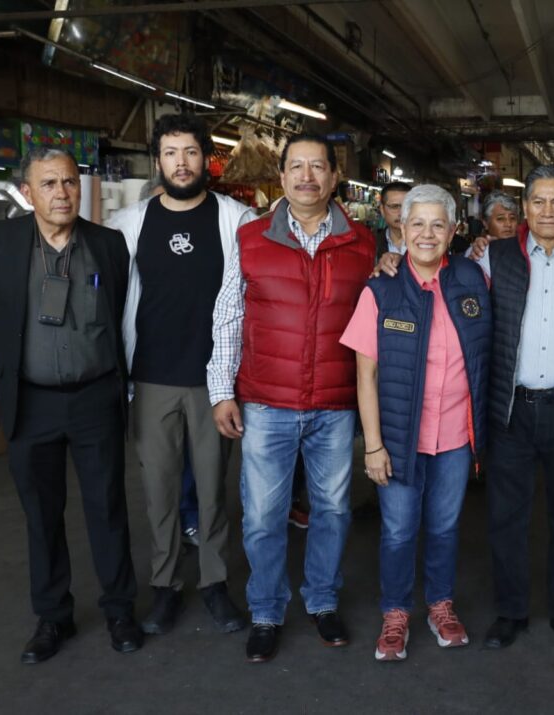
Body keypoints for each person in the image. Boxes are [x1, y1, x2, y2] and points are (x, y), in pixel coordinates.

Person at [0, 147, 142, 662]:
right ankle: (53, 618)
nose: (62, 193)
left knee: (106, 507)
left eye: (69, 182)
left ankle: (119, 610)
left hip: (94, 398)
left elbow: (121, 311)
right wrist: (16, 359)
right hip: (32, 402)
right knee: (41, 514)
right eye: (49, 184)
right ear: (27, 192)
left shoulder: (108, 245)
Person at [208, 134, 376, 663]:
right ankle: (266, 609)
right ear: (281, 177)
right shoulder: (250, 237)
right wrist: (221, 391)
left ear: (333, 177)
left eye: (318, 167)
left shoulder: (364, 243)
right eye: (296, 167)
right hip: (265, 402)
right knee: (261, 514)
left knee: (331, 511)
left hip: (333, 404)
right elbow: (229, 316)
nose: (307, 176)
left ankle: (323, 600)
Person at [109, 113, 254, 637]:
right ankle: (165, 585)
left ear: (205, 158)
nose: (181, 162)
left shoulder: (236, 219)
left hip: (215, 382)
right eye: (170, 152)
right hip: (150, 378)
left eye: (191, 152)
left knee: (215, 490)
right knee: (159, 490)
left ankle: (215, 584)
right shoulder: (130, 223)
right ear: (158, 160)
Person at [341, 184, 490, 661]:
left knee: (445, 527)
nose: (427, 234)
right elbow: (366, 376)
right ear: (401, 229)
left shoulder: (472, 279)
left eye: (438, 224)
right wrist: (373, 446)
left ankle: (440, 605)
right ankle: (396, 612)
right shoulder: (381, 290)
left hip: (453, 438)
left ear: (454, 230)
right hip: (400, 440)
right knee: (399, 530)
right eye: (417, 224)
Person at [473, 166, 554, 651]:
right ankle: (510, 612)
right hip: (512, 409)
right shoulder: (494, 258)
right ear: (524, 208)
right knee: (507, 515)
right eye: (538, 202)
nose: (547, 212)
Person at [374, 180, 413, 258]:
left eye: (407, 207)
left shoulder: (427, 243)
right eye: (394, 206)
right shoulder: (371, 244)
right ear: (382, 210)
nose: (402, 213)